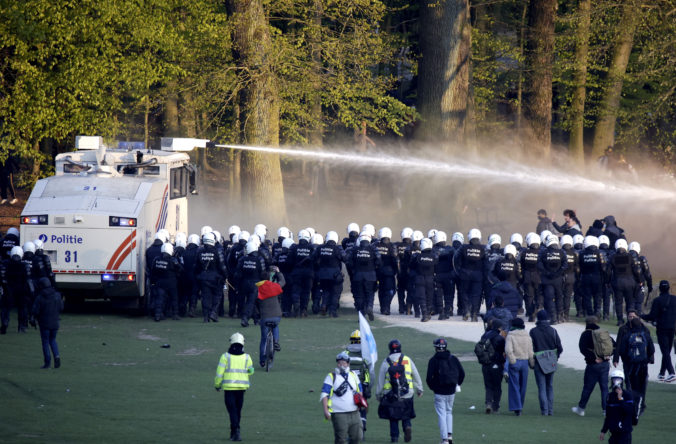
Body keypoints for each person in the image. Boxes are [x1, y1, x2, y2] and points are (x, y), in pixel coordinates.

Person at [376, 339, 424, 443]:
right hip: (407, 393)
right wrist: (420, 389)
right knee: (406, 415)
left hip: (391, 394)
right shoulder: (407, 359)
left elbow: (380, 380)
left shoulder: (386, 361)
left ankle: (394, 438)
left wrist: (378, 394)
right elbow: (416, 374)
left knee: (393, 418)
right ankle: (407, 426)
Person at [214, 332, 254, 442]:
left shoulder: (225, 357)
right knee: (238, 410)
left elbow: (219, 373)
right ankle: (235, 431)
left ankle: (235, 431)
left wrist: (217, 385)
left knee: (232, 410)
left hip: (229, 388)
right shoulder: (247, 357)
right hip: (241, 388)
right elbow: (251, 371)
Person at [613, 311, 654, 415]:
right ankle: (641, 405)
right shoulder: (645, 333)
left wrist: (622, 358)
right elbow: (651, 349)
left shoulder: (627, 335)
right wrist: (648, 359)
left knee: (631, 384)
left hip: (630, 364)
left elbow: (621, 348)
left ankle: (632, 404)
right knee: (642, 385)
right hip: (643, 364)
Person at [572, 316, 613, 417]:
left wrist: (593, 358)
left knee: (588, 388)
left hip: (593, 365)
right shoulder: (603, 333)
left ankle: (581, 409)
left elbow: (582, 349)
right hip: (605, 364)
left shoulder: (586, 334)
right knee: (604, 388)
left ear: (586, 323)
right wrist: (606, 357)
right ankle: (606, 410)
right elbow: (613, 346)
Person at [426, 338, 465, 444]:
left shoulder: (433, 360)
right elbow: (462, 373)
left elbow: (429, 378)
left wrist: (434, 388)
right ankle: (449, 436)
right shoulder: (453, 358)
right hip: (451, 390)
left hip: (439, 391)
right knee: (449, 412)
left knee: (441, 414)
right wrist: (457, 384)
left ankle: (444, 439)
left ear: (436, 348)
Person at [320, 351, 364, 444]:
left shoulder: (353, 375)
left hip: (355, 413)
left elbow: (359, 390)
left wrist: (360, 403)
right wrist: (325, 410)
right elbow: (324, 394)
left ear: (348, 363)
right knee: (341, 439)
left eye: (344, 362)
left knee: (357, 437)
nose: (341, 365)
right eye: (339, 363)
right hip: (339, 414)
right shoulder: (331, 376)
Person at [640, 280, 676, 382]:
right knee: (667, 351)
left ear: (660, 289)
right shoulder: (674, 299)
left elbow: (652, 316)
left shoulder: (657, 300)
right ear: (669, 288)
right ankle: (661, 373)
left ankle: (672, 372)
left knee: (665, 351)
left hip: (662, 328)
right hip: (672, 328)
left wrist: (642, 316)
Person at [529, 310, 563, 416]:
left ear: (538, 318)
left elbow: (531, 348)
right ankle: (550, 410)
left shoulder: (533, 331)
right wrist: (555, 357)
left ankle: (544, 410)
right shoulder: (553, 330)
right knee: (550, 386)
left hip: (539, 361)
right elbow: (560, 348)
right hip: (551, 360)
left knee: (542, 387)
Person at [31, 277, 63, 369]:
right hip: (55, 322)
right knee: (53, 340)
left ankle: (47, 362)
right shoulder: (57, 295)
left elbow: (35, 311)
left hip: (44, 323)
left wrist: (34, 318)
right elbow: (61, 307)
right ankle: (57, 356)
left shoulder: (40, 297)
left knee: (45, 342)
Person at [504, 317, 534, 416]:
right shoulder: (527, 336)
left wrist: (512, 361)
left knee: (514, 385)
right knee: (523, 386)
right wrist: (532, 363)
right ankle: (520, 406)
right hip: (525, 362)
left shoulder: (510, 335)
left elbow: (508, 350)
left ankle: (517, 407)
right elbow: (530, 352)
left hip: (515, 361)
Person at [455, 228, 486, 322]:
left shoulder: (464, 247)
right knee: (476, 295)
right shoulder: (483, 248)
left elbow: (456, 259)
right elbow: (486, 262)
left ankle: (466, 311)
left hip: (465, 273)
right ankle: (474, 315)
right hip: (478, 275)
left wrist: (459, 271)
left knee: (464, 293)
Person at [196, 232, 227, 323]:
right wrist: (225, 275)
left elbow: (196, 266)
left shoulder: (200, 251)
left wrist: (198, 276)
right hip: (215, 278)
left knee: (205, 297)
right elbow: (222, 266)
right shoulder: (218, 251)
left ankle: (206, 317)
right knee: (217, 296)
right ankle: (213, 312)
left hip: (203, 278)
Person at [256, 271, 284, 367]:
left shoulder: (258, 288)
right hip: (276, 315)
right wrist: (278, 272)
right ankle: (276, 342)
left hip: (264, 316)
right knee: (275, 326)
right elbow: (282, 282)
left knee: (264, 339)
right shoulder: (274, 286)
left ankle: (262, 360)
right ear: (269, 278)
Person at [537, 235, 568, 324]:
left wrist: (547, 273)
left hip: (547, 280)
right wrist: (558, 273)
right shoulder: (561, 252)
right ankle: (560, 316)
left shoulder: (543, 252)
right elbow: (565, 265)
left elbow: (539, 264)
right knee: (559, 297)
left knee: (549, 298)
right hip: (558, 279)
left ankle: (553, 318)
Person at [479, 319, 507, 414]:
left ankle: (488, 403)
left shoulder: (484, 335)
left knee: (488, 386)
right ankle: (495, 407)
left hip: (485, 364)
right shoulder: (500, 338)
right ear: (499, 327)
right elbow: (504, 351)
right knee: (497, 386)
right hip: (497, 364)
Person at [346, 330, 371, 435]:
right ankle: (362, 429)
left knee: (349, 411)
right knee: (362, 409)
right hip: (361, 387)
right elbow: (367, 372)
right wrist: (367, 385)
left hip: (348, 388)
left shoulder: (346, 354)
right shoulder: (364, 355)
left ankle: (350, 433)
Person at [600, 369, 635, 444]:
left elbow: (629, 411)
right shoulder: (610, 396)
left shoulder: (627, 395)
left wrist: (620, 399)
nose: (616, 382)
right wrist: (603, 431)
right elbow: (608, 416)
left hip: (624, 432)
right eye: (614, 379)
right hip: (614, 432)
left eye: (618, 379)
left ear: (622, 381)